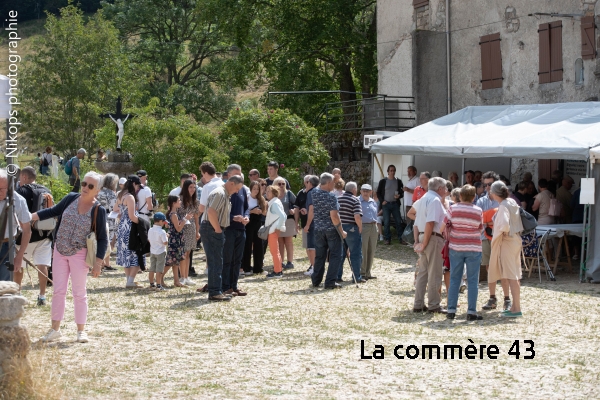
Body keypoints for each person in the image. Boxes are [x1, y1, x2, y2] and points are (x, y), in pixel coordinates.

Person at [34, 171, 107, 343]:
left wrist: (98, 262)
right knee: (58, 291)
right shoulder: (70, 198)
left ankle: (81, 331)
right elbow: (54, 210)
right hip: (59, 250)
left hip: (80, 254)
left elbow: (103, 238)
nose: (85, 188)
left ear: (97, 190)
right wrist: (32, 216)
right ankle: (54, 329)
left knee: (79, 293)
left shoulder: (98, 210)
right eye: (84, 184)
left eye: (90, 186)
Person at [200, 175, 244, 301]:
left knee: (217, 261)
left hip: (212, 228)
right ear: (231, 184)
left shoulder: (223, 193)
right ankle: (214, 292)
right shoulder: (220, 193)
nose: (237, 191)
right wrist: (218, 230)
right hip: (212, 229)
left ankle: (217, 290)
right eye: (237, 188)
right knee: (215, 262)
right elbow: (211, 212)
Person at [444, 185, 484, 320]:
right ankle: (471, 312)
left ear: (460, 196)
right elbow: (480, 228)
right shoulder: (478, 210)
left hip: (456, 246)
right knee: (473, 280)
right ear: (473, 197)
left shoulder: (453, 208)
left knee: (455, 278)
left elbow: (445, 224)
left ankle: (451, 310)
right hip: (473, 247)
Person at [14, 167, 52, 304]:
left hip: (27, 235)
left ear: (24, 177)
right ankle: (42, 296)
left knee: (19, 266)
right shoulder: (46, 190)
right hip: (45, 234)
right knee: (43, 266)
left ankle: (17, 296)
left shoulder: (21, 192)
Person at [487, 181, 524, 318]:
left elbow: (504, 225)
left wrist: (497, 236)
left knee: (511, 276)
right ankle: (515, 306)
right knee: (514, 274)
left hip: (507, 241)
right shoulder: (511, 202)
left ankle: (516, 308)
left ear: (495, 193)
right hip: (515, 240)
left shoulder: (503, 205)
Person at [413, 177, 447, 314]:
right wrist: (425, 243)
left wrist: (418, 241)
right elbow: (430, 223)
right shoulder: (435, 200)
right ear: (439, 189)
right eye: (444, 188)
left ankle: (418, 303)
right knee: (434, 272)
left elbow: (416, 222)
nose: (446, 191)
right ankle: (434, 305)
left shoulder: (422, 199)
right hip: (432, 238)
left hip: (424, 236)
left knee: (423, 272)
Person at [307, 173, 346, 289]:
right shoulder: (331, 197)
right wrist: (342, 231)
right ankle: (330, 282)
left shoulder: (314, 193)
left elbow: (320, 185)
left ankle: (316, 280)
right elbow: (334, 216)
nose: (334, 185)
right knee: (335, 256)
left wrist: (327, 177)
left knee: (320, 256)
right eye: (333, 182)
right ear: (329, 183)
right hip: (331, 230)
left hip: (318, 229)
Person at [222, 165, 249, 296]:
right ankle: (226, 286)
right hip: (228, 229)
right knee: (228, 259)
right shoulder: (224, 190)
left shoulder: (242, 189)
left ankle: (234, 286)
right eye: (236, 173)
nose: (240, 176)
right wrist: (233, 218)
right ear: (229, 175)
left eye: (240, 173)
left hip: (241, 229)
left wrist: (247, 217)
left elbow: (246, 207)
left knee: (238, 260)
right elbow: (220, 212)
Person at [115, 175, 142, 288]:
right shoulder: (130, 197)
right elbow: (132, 216)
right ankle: (130, 281)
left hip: (122, 227)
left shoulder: (120, 195)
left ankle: (129, 280)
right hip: (131, 228)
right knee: (136, 253)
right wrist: (142, 223)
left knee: (126, 255)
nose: (138, 188)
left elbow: (116, 210)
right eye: (138, 186)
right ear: (134, 184)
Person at [337, 181, 364, 283]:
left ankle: (337, 276)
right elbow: (357, 216)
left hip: (339, 228)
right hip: (352, 228)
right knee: (355, 253)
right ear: (353, 190)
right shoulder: (355, 200)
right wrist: (360, 227)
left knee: (341, 253)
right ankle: (356, 277)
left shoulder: (338, 199)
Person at [165, 195, 192, 287]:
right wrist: (185, 219)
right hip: (175, 240)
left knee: (176, 262)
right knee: (170, 262)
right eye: (179, 200)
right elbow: (178, 229)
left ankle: (176, 281)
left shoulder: (173, 214)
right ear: (174, 203)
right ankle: (159, 279)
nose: (180, 202)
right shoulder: (173, 215)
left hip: (177, 240)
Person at [242, 181, 267, 275]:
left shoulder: (261, 199)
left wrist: (260, 211)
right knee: (247, 245)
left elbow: (264, 212)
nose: (256, 191)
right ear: (251, 189)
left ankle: (258, 267)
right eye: (254, 189)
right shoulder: (247, 197)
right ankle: (246, 268)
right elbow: (244, 210)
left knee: (259, 245)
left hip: (258, 221)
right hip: (249, 221)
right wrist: (252, 211)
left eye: (257, 189)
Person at [178, 180, 200, 285]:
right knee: (183, 253)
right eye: (190, 187)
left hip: (191, 228)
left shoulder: (195, 201)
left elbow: (196, 217)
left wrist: (197, 231)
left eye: (194, 187)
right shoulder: (180, 200)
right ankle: (182, 276)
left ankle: (186, 276)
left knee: (188, 253)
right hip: (182, 228)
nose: (192, 189)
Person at [294, 175, 317, 275]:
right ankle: (314, 267)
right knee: (310, 247)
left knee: (312, 247)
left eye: (308, 182)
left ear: (310, 183)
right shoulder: (318, 192)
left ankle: (315, 269)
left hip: (312, 224)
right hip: (313, 223)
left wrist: (307, 225)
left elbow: (312, 210)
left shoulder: (311, 193)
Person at [376, 164, 404, 245]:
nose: (392, 172)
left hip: (395, 204)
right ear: (388, 172)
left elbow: (402, 192)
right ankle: (388, 239)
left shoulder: (398, 181)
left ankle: (401, 238)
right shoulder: (383, 181)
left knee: (398, 221)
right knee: (387, 222)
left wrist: (399, 196)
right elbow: (378, 193)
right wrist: (382, 201)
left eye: (394, 170)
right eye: (391, 170)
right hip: (386, 204)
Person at [97, 173, 119, 271]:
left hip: (98, 217)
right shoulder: (111, 194)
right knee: (109, 240)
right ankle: (105, 263)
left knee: (100, 240)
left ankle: (102, 263)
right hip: (109, 218)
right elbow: (113, 208)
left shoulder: (99, 192)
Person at [265, 185, 288, 278]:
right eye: (266, 191)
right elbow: (285, 215)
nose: (266, 193)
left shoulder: (274, 203)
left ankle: (277, 271)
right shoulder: (275, 202)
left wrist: (278, 227)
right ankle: (278, 270)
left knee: (274, 251)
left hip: (273, 230)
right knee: (275, 251)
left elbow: (283, 216)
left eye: (268, 191)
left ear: (274, 193)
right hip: (274, 229)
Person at [274, 176, 297, 270]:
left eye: (283, 183)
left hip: (288, 220)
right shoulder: (273, 194)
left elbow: (297, 204)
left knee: (288, 242)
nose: (281, 185)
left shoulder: (289, 194)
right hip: (277, 220)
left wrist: (294, 210)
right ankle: (281, 261)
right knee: (280, 242)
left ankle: (290, 262)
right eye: (279, 183)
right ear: (275, 184)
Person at [359, 184, 378, 280]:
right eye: (364, 191)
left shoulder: (372, 201)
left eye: (367, 191)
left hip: (373, 226)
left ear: (371, 192)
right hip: (364, 226)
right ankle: (362, 273)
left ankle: (368, 272)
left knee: (372, 249)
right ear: (361, 191)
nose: (365, 193)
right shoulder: (358, 201)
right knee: (363, 249)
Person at [148, 212, 169, 291]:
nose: (164, 223)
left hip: (152, 251)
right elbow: (165, 243)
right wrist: (167, 237)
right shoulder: (162, 232)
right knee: (159, 270)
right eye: (163, 221)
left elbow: (149, 240)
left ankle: (151, 284)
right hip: (160, 252)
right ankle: (159, 285)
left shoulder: (150, 229)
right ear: (160, 221)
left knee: (152, 268)